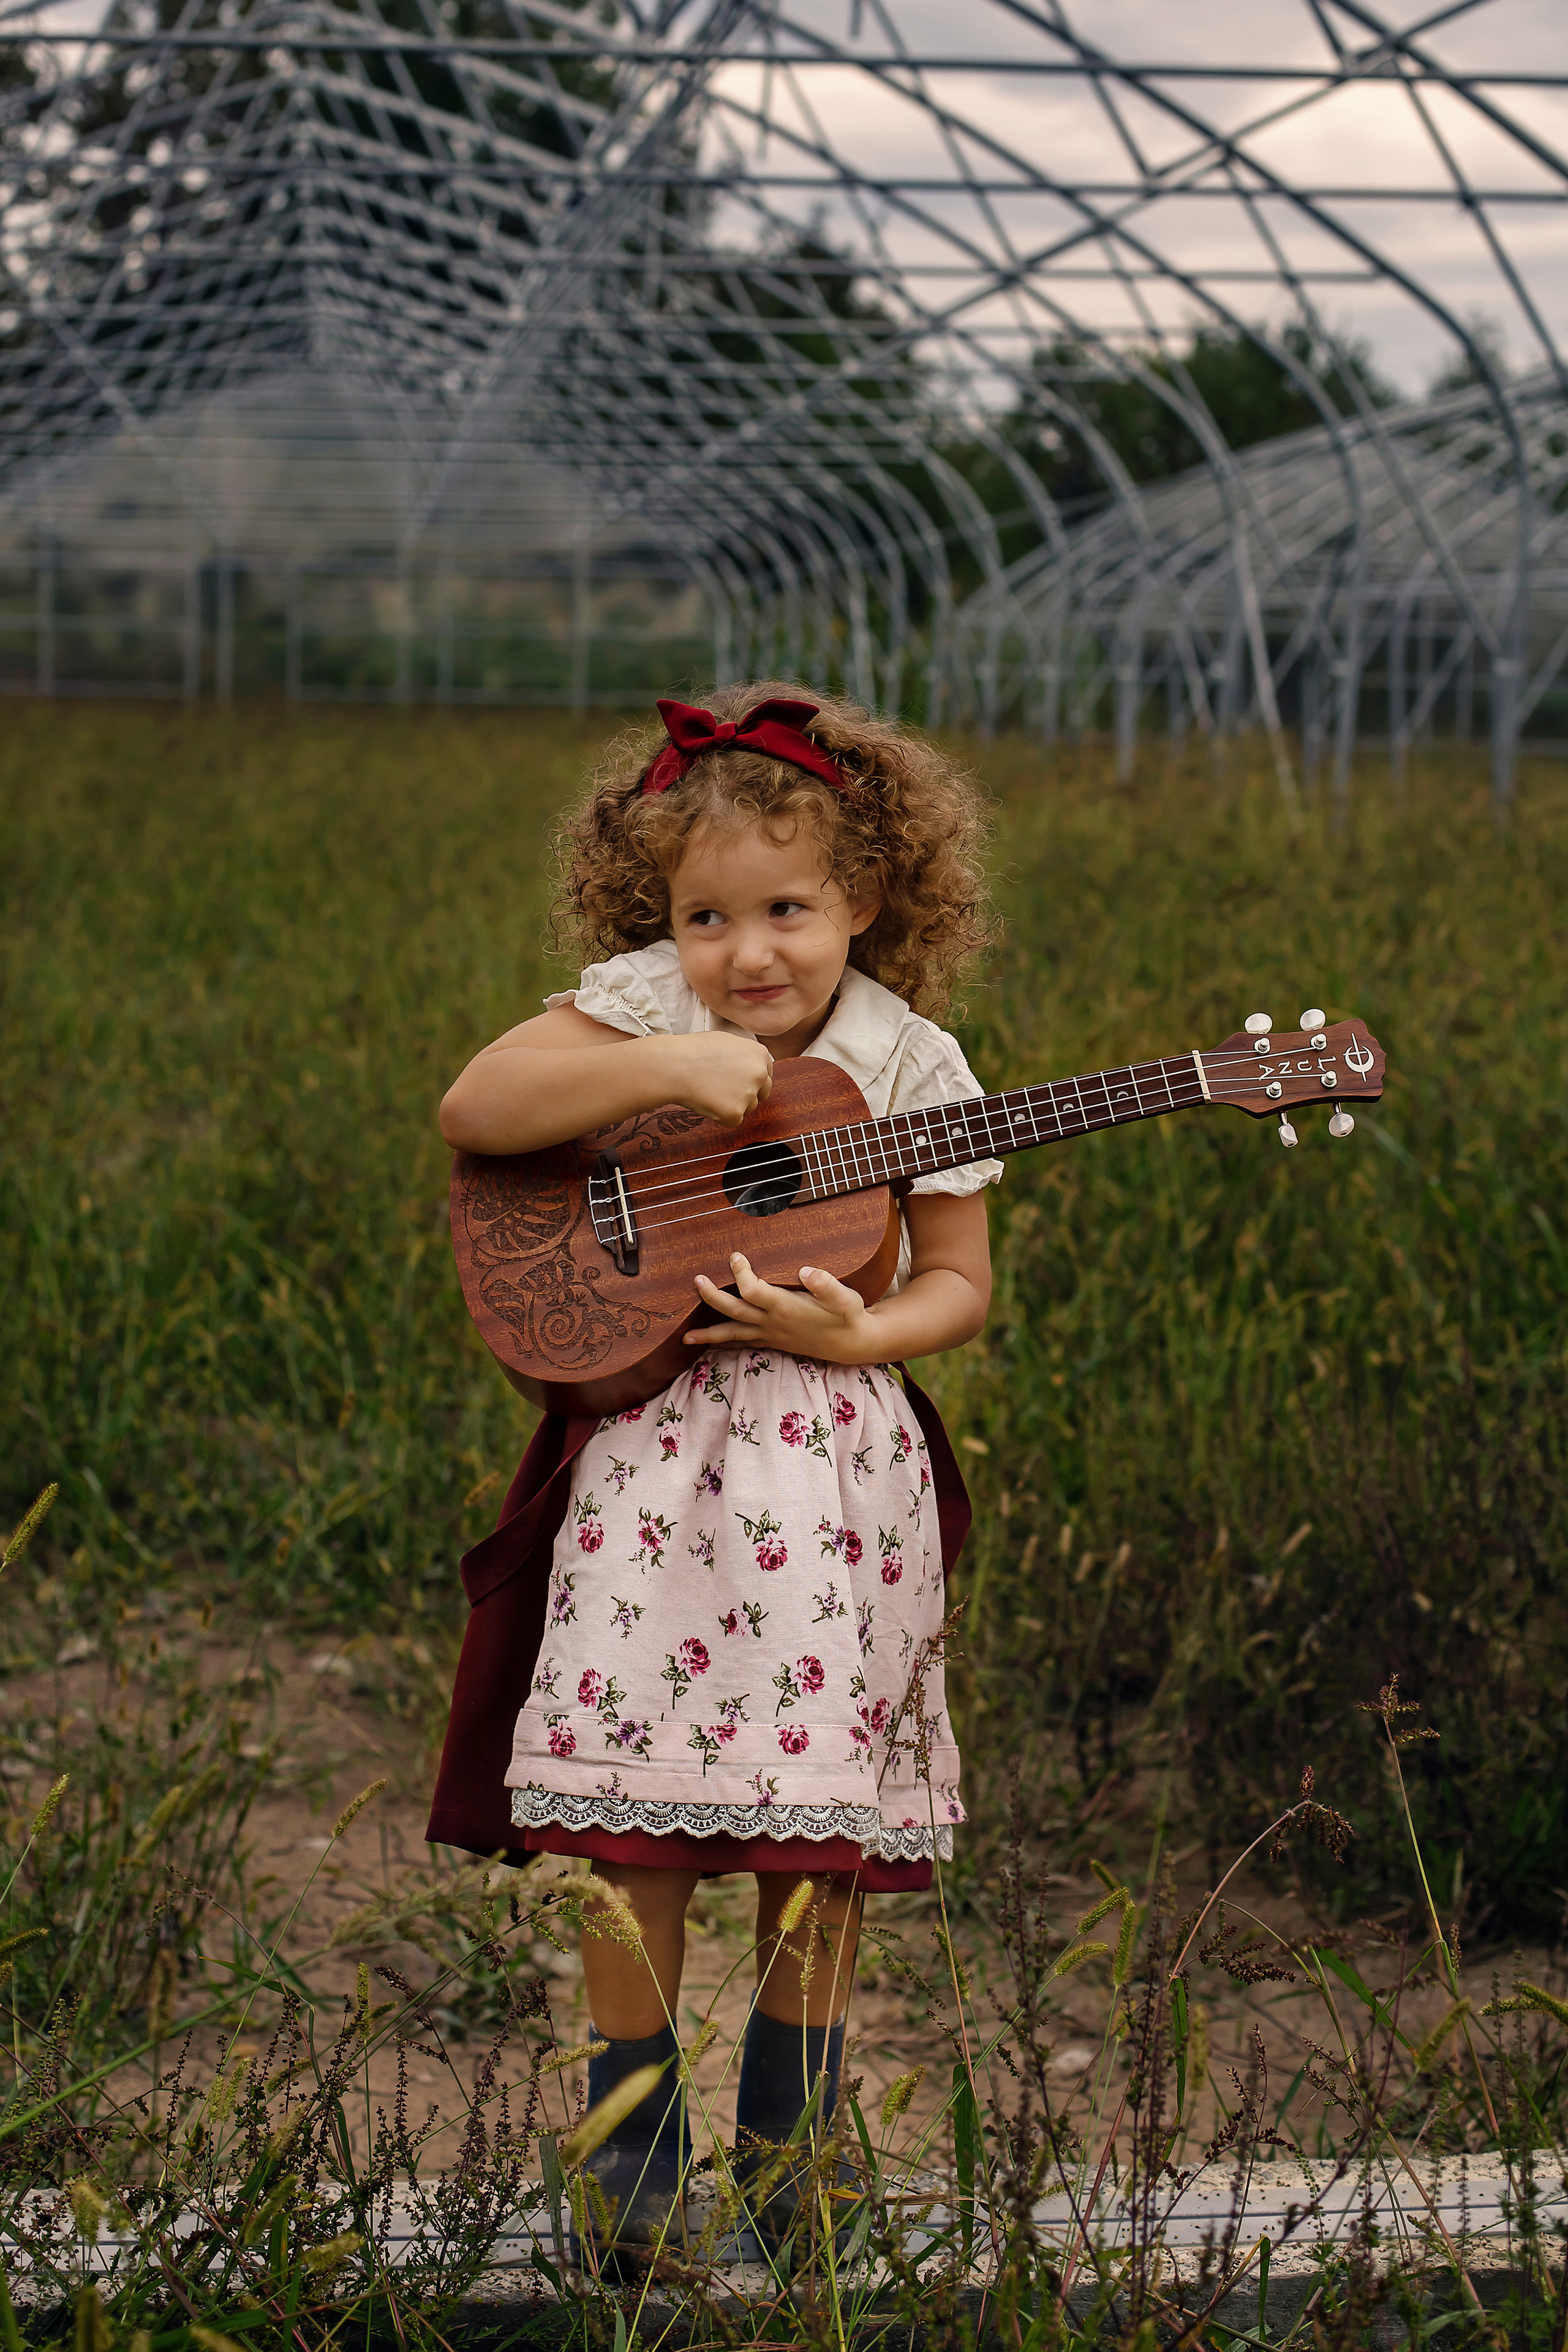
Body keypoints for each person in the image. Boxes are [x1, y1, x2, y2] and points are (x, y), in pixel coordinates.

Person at [429, 684, 1000, 2272]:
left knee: (822, 1817)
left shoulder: (910, 1060)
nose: (749, 952)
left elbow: (960, 1280)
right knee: (639, 1810)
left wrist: (863, 1325)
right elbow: (480, 1107)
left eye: (790, 909)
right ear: (657, 914)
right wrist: (662, 1078)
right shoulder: (639, 1006)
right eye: (707, 914)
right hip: (655, 1463)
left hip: (832, 1484)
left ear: (868, 902)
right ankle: (628, 2165)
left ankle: (791, 2151)